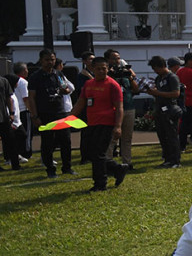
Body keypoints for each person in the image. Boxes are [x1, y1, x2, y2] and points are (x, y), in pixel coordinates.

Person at [70, 56, 129, 192]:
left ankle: (100, 183)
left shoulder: (112, 85)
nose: (102, 71)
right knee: (92, 153)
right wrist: (70, 116)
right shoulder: (88, 84)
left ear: (108, 69)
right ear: (92, 69)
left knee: (98, 153)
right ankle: (117, 168)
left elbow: (119, 107)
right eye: (98, 69)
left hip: (106, 123)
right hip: (92, 123)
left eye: (104, 69)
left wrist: (118, 126)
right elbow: (81, 102)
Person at [26, 48, 74, 178]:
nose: (50, 62)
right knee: (47, 142)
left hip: (60, 112)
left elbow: (67, 88)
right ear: (41, 60)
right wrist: (34, 115)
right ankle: (50, 169)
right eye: (47, 60)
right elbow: (31, 97)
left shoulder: (58, 74)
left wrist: (65, 90)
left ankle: (67, 167)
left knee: (65, 141)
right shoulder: (35, 77)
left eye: (52, 59)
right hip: (44, 113)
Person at [103, 49, 139, 169]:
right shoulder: (106, 75)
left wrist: (129, 76)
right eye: (114, 58)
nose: (117, 61)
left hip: (128, 106)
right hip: (114, 109)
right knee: (112, 137)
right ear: (108, 60)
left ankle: (127, 162)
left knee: (127, 137)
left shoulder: (125, 73)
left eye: (118, 58)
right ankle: (108, 162)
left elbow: (135, 89)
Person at [146, 56, 182, 168]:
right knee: (163, 136)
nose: (155, 71)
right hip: (160, 110)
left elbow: (176, 93)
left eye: (155, 68)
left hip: (170, 109)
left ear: (161, 66)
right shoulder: (159, 78)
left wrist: (157, 93)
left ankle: (175, 160)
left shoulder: (172, 77)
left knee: (171, 136)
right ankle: (167, 158)